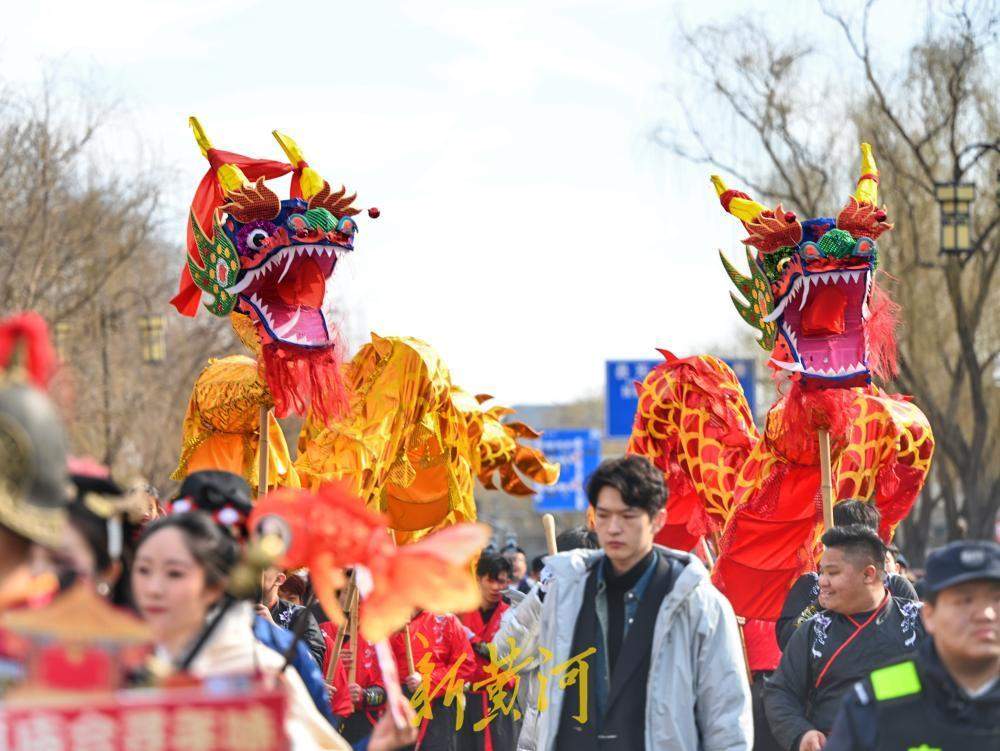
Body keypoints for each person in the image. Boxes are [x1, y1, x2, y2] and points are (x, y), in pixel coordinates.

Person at [511, 455, 752, 751]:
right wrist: (541, 597)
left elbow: (727, 717)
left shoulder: (700, 605)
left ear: (657, 520)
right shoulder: (563, 599)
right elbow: (510, 659)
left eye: (627, 516)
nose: (613, 528)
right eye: (604, 515)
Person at [132, 511, 416, 751]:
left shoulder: (271, 664)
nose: (154, 588)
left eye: (175, 573)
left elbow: (315, 684)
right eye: (143, 569)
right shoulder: (122, 654)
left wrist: (373, 744)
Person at [825, 539, 999, 750]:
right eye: (965, 601)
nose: (986, 615)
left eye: (996, 599)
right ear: (929, 615)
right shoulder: (877, 697)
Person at [765, 524, 925, 751]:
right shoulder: (813, 631)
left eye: (832, 573)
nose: (822, 581)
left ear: (868, 574)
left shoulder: (921, 620)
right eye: (822, 573)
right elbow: (780, 691)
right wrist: (801, 733)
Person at [775, 500, 918, 651]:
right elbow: (787, 642)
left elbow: (916, 639)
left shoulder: (896, 586)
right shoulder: (811, 584)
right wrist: (818, 605)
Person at [457, 551, 518, 750]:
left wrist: (473, 641)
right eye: (491, 580)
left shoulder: (513, 616)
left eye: (502, 582)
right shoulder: (460, 614)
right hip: (466, 698)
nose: (496, 587)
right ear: (478, 579)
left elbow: (506, 656)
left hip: (500, 699)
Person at [391, 609, 476, 751]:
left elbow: (465, 665)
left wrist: (427, 681)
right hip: (400, 707)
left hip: (437, 708)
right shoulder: (388, 621)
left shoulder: (445, 620)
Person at [259, 565, 328, 668]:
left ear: (279, 579)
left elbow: (314, 664)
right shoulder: (235, 610)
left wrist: (274, 629)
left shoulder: (300, 615)